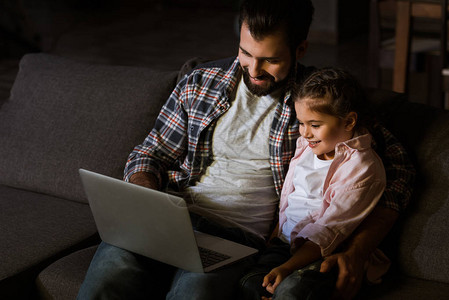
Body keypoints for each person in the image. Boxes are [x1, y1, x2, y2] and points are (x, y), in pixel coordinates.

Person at [77, 0, 415, 299]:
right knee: (109, 278)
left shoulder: (316, 102)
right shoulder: (199, 83)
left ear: (300, 50)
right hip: (170, 216)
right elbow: (149, 154)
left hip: (238, 239)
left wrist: (358, 250)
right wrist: (146, 197)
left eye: (270, 60)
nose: (254, 71)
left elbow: (398, 169)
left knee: (196, 293)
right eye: (246, 53)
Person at [239, 68, 391, 300]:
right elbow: (292, 198)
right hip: (284, 244)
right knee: (250, 284)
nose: (305, 133)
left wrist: (288, 267)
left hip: (325, 251)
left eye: (315, 124)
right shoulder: (306, 147)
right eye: (301, 123)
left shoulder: (362, 167)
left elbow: (328, 231)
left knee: (292, 291)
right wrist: (276, 236)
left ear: (349, 121)